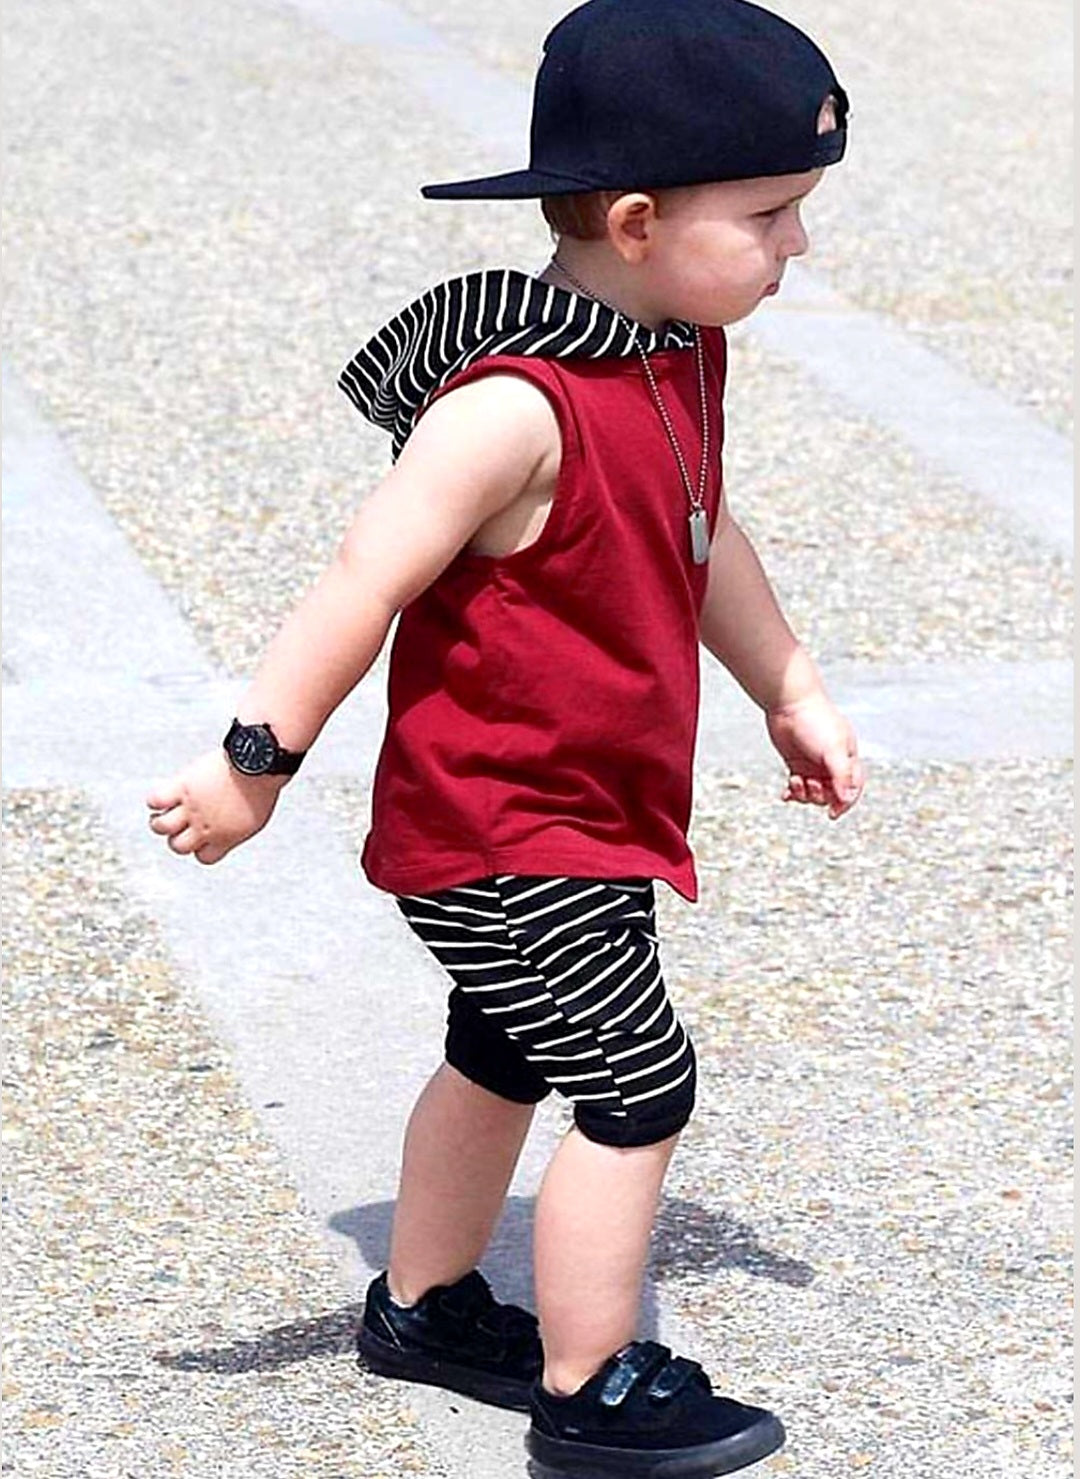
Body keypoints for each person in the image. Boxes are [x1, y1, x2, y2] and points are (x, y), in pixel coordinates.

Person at [146, 0, 865, 1473]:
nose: (799, 245)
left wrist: (785, 681)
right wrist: (250, 765)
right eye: (775, 213)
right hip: (501, 827)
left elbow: (700, 523)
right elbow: (363, 579)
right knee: (637, 1084)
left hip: (577, 811)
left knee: (501, 1048)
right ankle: (589, 1388)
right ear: (638, 218)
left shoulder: (673, 353)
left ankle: (421, 1311)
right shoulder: (513, 410)